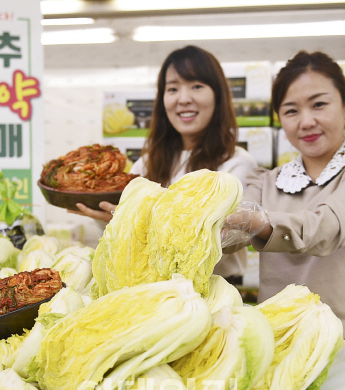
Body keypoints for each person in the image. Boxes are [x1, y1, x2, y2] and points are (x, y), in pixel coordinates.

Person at [222, 51, 345, 339]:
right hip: (280, 341)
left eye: (319, 105)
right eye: (291, 111)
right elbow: (229, 236)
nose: (306, 122)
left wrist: (260, 223)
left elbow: (328, 226)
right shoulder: (265, 180)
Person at [72, 45, 258, 282]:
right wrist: (111, 218)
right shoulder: (146, 163)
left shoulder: (236, 165)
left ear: (218, 96)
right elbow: (119, 233)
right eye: (172, 89)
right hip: (151, 290)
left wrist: (143, 221)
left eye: (197, 86)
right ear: (162, 100)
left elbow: (232, 238)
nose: (183, 99)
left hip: (214, 293)